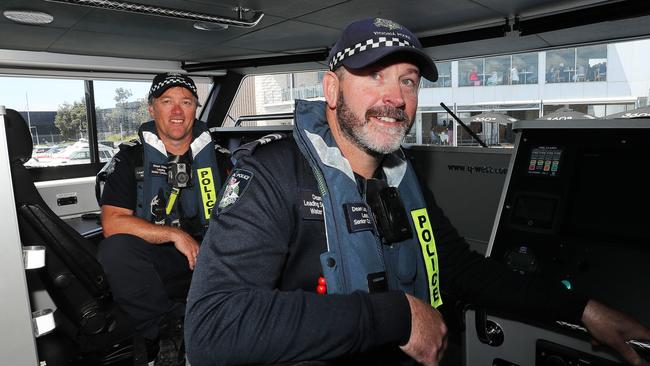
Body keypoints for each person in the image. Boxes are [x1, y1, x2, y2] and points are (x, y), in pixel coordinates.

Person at [186, 18, 650, 366]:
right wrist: (396, 316)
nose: (395, 98)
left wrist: (581, 308)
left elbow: (463, 269)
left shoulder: (401, 177)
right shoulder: (274, 174)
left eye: (407, 80)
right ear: (331, 89)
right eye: (373, 76)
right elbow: (212, 328)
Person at [98, 73, 230, 365]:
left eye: (186, 102)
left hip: (213, 261)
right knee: (115, 249)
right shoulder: (129, 159)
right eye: (166, 101)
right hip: (159, 265)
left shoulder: (222, 160)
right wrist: (175, 235)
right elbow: (113, 222)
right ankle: (166, 329)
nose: (177, 111)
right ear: (151, 108)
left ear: (195, 108)